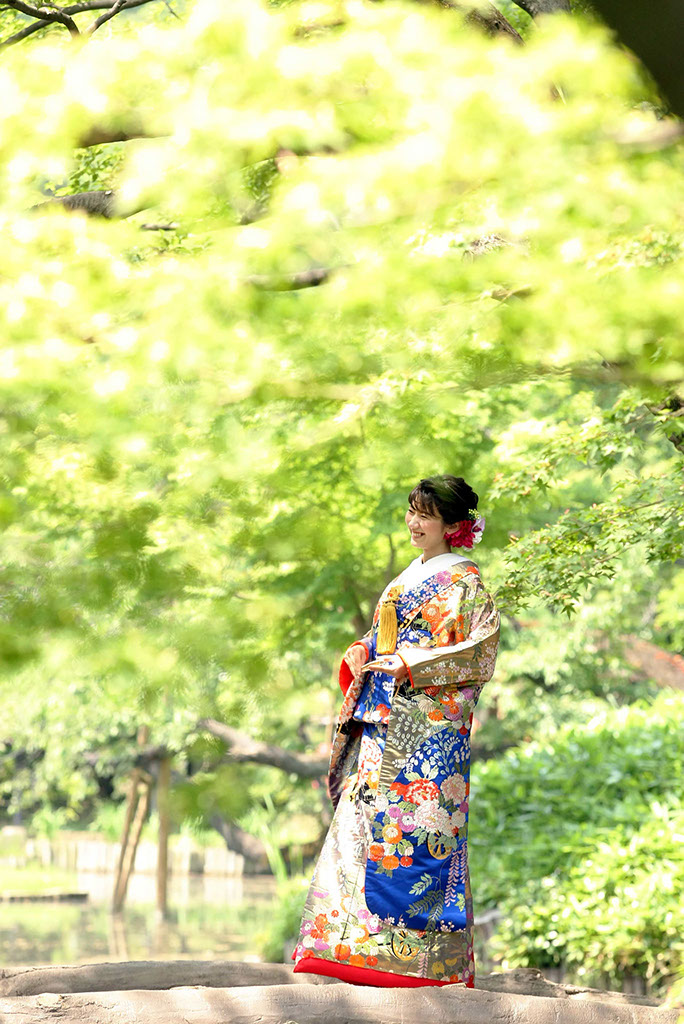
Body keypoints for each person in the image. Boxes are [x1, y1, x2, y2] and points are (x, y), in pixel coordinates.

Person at [292, 475, 500, 988]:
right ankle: (346, 950)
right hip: (382, 723)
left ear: (452, 526)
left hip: (427, 735)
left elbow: (480, 654)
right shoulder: (408, 576)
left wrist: (412, 663)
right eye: (412, 512)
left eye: (426, 516)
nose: (414, 523)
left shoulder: (466, 584)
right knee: (360, 829)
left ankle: (422, 965)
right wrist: (363, 651)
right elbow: (381, 637)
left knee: (419, 838)